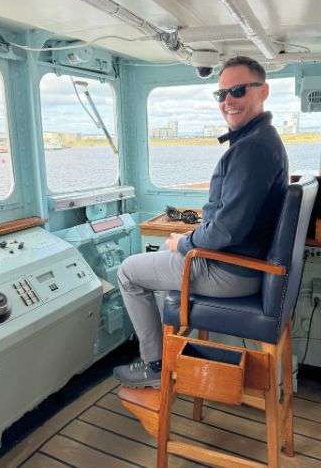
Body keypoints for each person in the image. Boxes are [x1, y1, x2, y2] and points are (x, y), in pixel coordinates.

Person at [113, 56, 288, 388]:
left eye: (237, 91)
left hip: (229, 270)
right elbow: (231, 217)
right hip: (247, 266)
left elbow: (225, 231)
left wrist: (182, 242)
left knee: (128, 272)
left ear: (262, 91)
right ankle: (182, 358)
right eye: (221, 95)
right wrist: (197, 232)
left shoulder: (252, 149)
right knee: (163, 262)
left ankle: (155, 365)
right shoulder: (265, 140)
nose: (228, 102)